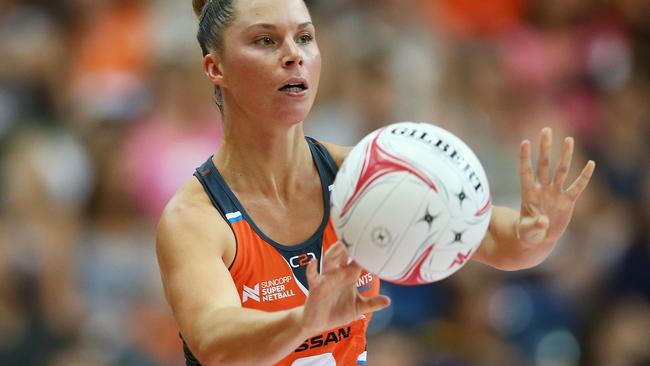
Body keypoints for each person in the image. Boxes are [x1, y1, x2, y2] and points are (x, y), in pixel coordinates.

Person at [155, 0, 596, 365]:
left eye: (305, 37)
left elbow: (504, 244)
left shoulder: (364, 173)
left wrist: (536, 232)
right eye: (265, 40)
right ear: (216, 68)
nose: (294, 54)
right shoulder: (194, 217)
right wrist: (304, 321)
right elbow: (214, 341)